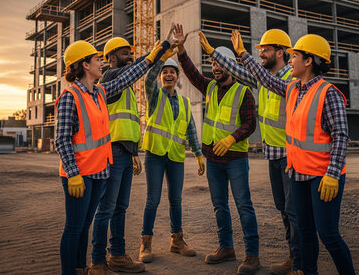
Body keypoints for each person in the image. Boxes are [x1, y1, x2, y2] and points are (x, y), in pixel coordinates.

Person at [232, 30, 355, 275]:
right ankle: (306, 271)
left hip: (323, 177)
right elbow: (266, 79)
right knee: (306, 232)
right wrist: (243, 55)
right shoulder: (293, 89)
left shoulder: (327, 92)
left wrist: (332, 174)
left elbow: (341, 136)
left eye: (294, 55)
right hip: (297, 173)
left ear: (308, 61)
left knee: (328, 235)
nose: (290, 60)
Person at [55, 39, 166, 275]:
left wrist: (157, 52)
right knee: (74, 227)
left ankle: (80, 268)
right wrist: (73, 174)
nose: (100, 64)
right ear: (85, 65)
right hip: (79, 175)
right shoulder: (69, 96)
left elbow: (129, 76)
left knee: (85, 225)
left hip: (98, 172)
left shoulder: (99, 93)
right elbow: (61, 140)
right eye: (96, 60)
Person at [198, 29, 302, 275]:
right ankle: (294, 257)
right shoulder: (262, 77)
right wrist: (213, 52)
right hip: (273, 155)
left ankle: (300, 263)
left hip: (291, 155)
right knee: (284, 210)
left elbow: (259, 79)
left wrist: (243, 54)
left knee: (294, 212)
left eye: (265, 50)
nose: (262, 54)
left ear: (281, 52)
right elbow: (238, 71)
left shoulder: (291, 79)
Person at [173, 24, 260, 275]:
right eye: (213, 65)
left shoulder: (244, 90)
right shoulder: (210, 87)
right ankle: (226, 248)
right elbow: (191, 72)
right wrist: (181, 50)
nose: (215, 69)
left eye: (219, 65)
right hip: (213, 159)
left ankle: (252, 255)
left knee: (244, 205)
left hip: (235, 160)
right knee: (219, 205)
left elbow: (250, 123)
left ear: (230, 65)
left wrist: (232, 139)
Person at [138, 52, 206, 263]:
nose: (168, 75)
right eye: (165, 72)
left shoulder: (185, 103)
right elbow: (148, 79)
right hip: (156, 154)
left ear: (178, 77)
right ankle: (145, 244)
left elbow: (191, 130)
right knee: (153, 199)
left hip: (176, 156)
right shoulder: (154, 95)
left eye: (172, 72)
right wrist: (160, 59)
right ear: (160, 77)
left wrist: (198, 154)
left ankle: (177, 240)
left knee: (176, 200)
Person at [90, 37, 146, 274]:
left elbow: (127, 124)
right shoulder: (111, 78)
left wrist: (134, 152)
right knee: (107, 207)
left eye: (130, 54)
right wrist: (157, 52)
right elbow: (134, 69)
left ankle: (118, 255)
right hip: (112, 152)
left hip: (124, 151)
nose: (129, 57)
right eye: (124, 54)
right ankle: (98, 260)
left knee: (120, 207)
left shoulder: (128, 88)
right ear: (111, 58)